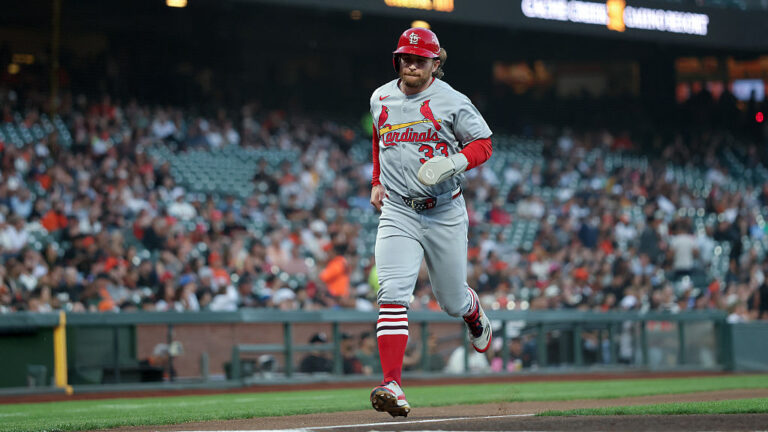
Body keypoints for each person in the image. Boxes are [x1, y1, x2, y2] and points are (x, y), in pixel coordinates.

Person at [368, 27, 494, 418]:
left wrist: (455, 162)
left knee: (451, 300)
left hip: (444, 210)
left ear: (435, 63)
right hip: (399, 209)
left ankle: (473, 312)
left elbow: (484, 143)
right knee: (392, 293)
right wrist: (375, 181)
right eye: (405, 57)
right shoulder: (380, 96)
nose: (411, 64)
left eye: (419, 59)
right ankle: (393, 384)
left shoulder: (452, 100)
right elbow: (378, 138)